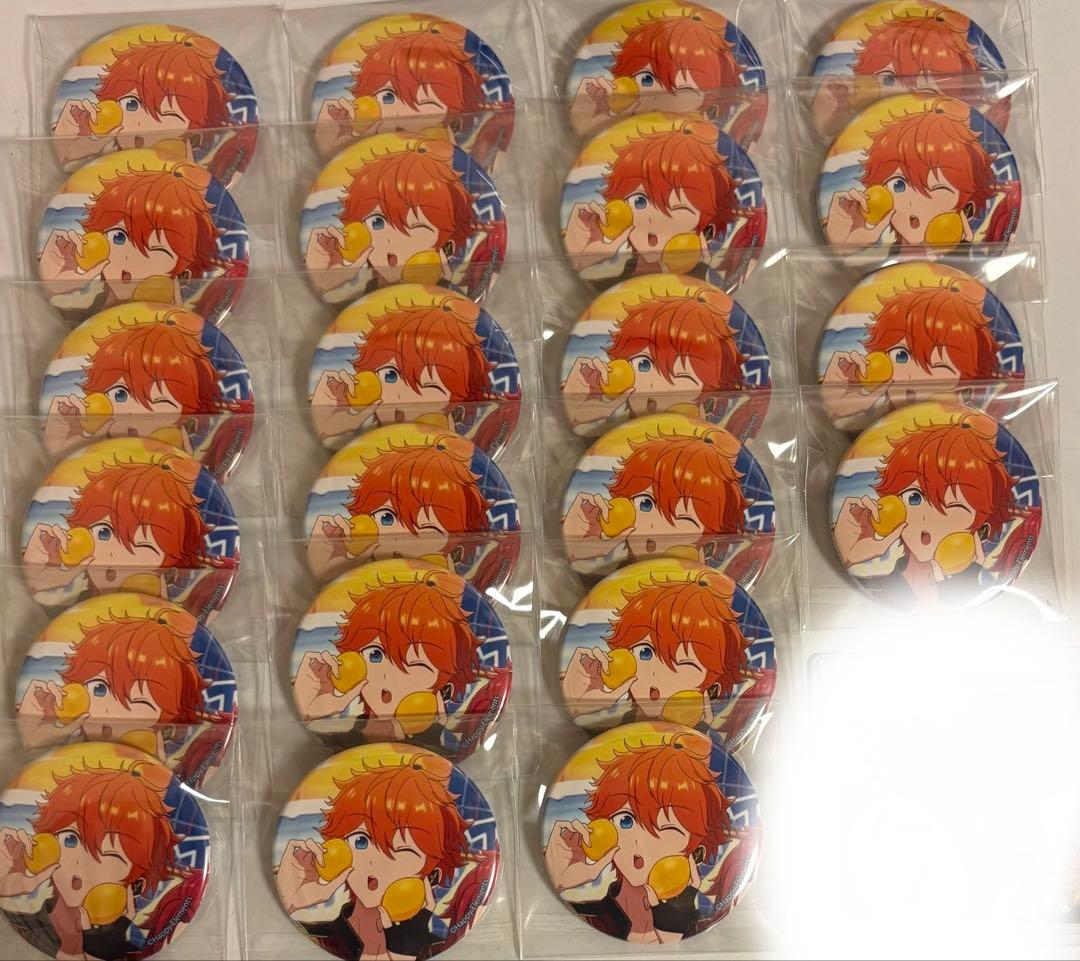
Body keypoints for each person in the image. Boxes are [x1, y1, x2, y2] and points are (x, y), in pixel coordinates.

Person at [276, 755, 498, 960]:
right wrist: (291, 898)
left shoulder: (437, 949)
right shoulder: (317, 938)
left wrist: (405, 946)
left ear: (433, 875)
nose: (375, 861)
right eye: (361, 841)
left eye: (403, 851)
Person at [544, 734, 742, 942]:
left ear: (696, 852)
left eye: (668, 829)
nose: (640, 841)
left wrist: (672, 930)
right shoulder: (587, 919)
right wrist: (559, 880)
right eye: (626, 820)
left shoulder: (702, 930)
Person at [833, 415, 1041, 608]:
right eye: (914, 497)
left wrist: (964, 587)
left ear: (981, 530)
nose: (927, 517)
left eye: (954, 507)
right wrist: (849, 556)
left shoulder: (982, 596)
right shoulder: (876, 590)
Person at [0, 763, 203, 958]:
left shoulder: (128, 950)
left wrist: (95, 945)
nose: (80, 865)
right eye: (70, 839)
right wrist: (5, 884)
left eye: (111, 857)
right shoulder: (29, 927)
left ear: (135, 886)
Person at [293, 576, 509, 750]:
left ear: (444, 687)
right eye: (375, 655)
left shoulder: (447, 746)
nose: (387, 677)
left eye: (417, 666)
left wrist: (434, 732)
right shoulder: (336, 742)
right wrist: (312, 711)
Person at [823, 99, 1017, 249]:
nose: (912, 203)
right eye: (898, 184)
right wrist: (844, 245)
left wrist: (961, 252)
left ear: (966, 207)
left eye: (938, 189)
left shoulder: (973, 260)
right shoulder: (872, 253)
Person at [821, 281, 1012, 419]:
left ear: (966, 386)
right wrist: (834, 405)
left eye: (939, 367)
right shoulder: (865, 423)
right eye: (901, 355)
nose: (912, 377)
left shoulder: (973, 424)